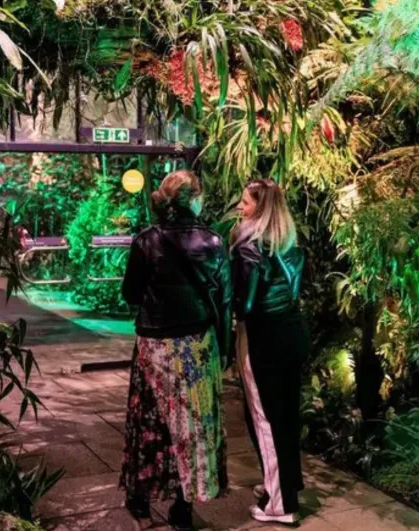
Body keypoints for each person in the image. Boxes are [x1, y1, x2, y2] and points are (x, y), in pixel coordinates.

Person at [119, 170, 233, 531]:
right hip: (197, 344)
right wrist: (225, 350)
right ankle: (184, 506)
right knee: (194, 424)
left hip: (154, 344)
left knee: (150, 419)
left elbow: (130, 294)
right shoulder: (213, 241)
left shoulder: (146, 240)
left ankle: (139, 496)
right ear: (194, 199)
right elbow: (224, 300)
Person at [231, 179, 307, 525]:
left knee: (264, 419)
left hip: (262, 337)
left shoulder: (250, 249)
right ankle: (286, 484)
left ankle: (280, 503)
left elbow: (245, 305)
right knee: (287, 414)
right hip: (292, 332)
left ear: (259, 209)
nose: (239, 207)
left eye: (245, 202)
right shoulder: (290, 244)